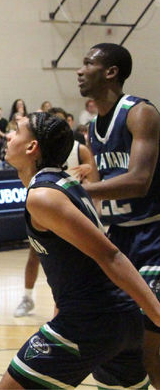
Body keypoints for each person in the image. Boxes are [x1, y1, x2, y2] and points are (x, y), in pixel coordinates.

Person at [0, 111, 160, 390]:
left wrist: (156, 312)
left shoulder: (43, 196)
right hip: (118, 320)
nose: (9, 136)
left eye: (16, 131)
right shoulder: (65, 183)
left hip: (90, 322)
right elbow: (74, 262)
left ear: (31, 147)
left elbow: (111, 255)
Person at [77, 42, 160, 386]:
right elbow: (103, 187)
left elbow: (139, 181)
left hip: (154, 235)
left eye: (88, 63)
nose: (80, 70)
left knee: (151, 344)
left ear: (111, 72)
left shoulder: (140, 112)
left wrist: (74, 190)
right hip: (121, 237)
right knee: (127, 347)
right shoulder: (94, 126)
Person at [12, 106, 98, 318]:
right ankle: (28, 297)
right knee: (40, 256)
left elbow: (112, 256)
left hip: (68, 211)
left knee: (79, 262)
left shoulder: (78, 150)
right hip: (56, 208)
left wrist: (88, 170)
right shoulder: (39, 184)